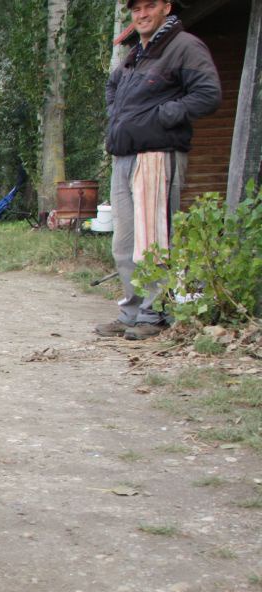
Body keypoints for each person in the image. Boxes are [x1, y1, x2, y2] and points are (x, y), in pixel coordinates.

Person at [95, 0, 220, 341]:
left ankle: (155, 314)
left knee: (154, 239)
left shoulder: (184, 46)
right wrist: (118, 118)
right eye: (136, 9)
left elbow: (208, 94)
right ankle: (132, 312)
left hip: (157, 156)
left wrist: (162, 117)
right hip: (124, 157)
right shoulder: (136, 53)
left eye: (150, 5)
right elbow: (112, 87)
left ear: (166, 6)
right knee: (124, 242)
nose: (142, 14)